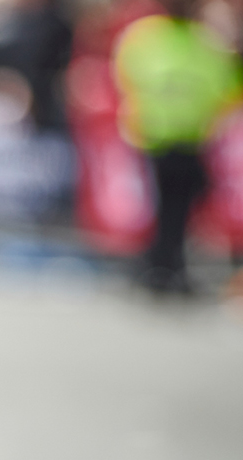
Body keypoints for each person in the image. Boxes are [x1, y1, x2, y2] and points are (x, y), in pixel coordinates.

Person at [114, 0, 242, 295]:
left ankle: (166, 265)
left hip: (188, 139)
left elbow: (227, 87)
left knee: (179, 207)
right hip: (155, 137)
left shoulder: (202, 41)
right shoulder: (151, 36)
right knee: (160, 207)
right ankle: (158, 265)